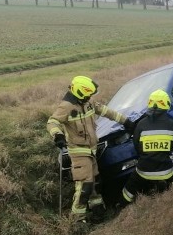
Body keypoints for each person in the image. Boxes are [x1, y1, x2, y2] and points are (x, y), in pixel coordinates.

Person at [47, 75, 135, 222]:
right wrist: (58, 136)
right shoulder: (66, 106)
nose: (89, 97)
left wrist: (126, 121)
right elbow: (52, 122)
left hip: (92, 150)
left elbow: (106, 111)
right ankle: (77, 218)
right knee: (85, 185)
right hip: (79, 152)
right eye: (87, 94)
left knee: (95, 181)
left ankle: (97, 209)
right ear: (80, 92)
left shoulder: (88, 102)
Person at [120, 89, 173, 206]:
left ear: (149, 104)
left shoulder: (141, 124)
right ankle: (164, 185)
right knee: (172, 182)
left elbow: (137, 145)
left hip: (144, 171)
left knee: (129, 188)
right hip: (166, 171)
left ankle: (122, 204)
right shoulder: (172, 124)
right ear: (166, 104)